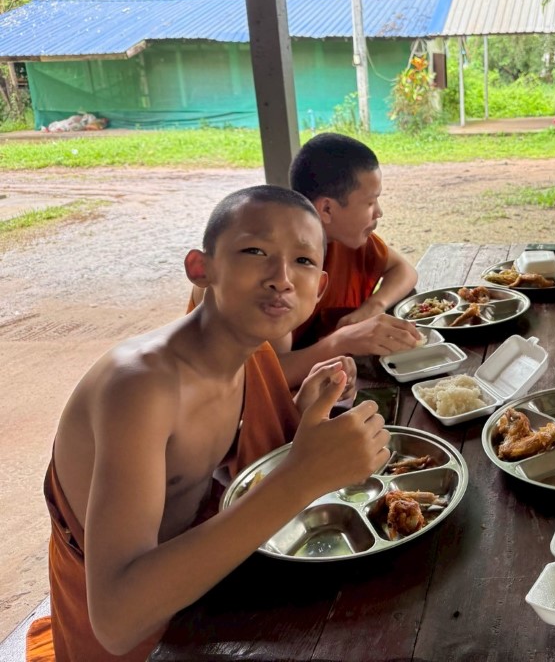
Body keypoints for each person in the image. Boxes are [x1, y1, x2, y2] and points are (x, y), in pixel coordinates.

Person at [37, 185, 391, 661]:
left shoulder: (247, 353)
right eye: (255, 251)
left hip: (203, 581)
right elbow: (116, 621)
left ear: (320, 288)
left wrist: (303, 410)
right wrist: (302, 476)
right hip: (138, 630)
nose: (282, 278)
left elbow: (235, 458)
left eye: (304, 261)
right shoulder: (141, 387)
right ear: (201, 269)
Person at [275, 132, 420, 387]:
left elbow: (404, 270)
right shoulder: (276, 268)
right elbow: (263, 375)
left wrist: (374, 305)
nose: (379, 212)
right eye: (370, 202)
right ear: (327, 209)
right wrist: (341, 341)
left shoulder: (344, 241)